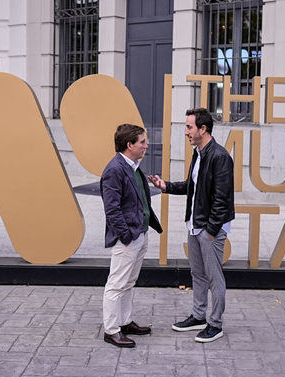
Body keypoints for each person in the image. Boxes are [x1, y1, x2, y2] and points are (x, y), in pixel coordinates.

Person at [149, 108, 234, 343]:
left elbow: (222, 198)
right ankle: (198, 316)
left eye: (189, 127)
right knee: (197, 274)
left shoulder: (220, 156)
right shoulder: (199, 153)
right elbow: (192, 186)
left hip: (209, 230)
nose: (185, 132)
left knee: (214, 276)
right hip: (195, 225)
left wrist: (211, 230)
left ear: (202, 129)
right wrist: (165, 186)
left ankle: (215, 324)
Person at [100, 124, 162, 348]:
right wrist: (126, 236)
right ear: (129, 145)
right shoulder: (114, 170)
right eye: (142, 142)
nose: (146, 146)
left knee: (129, 282)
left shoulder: (134, 167)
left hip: (140, 234)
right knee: (116, 284)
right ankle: (111, 330)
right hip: (128, 238)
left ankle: (124, 322)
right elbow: (112, 210)